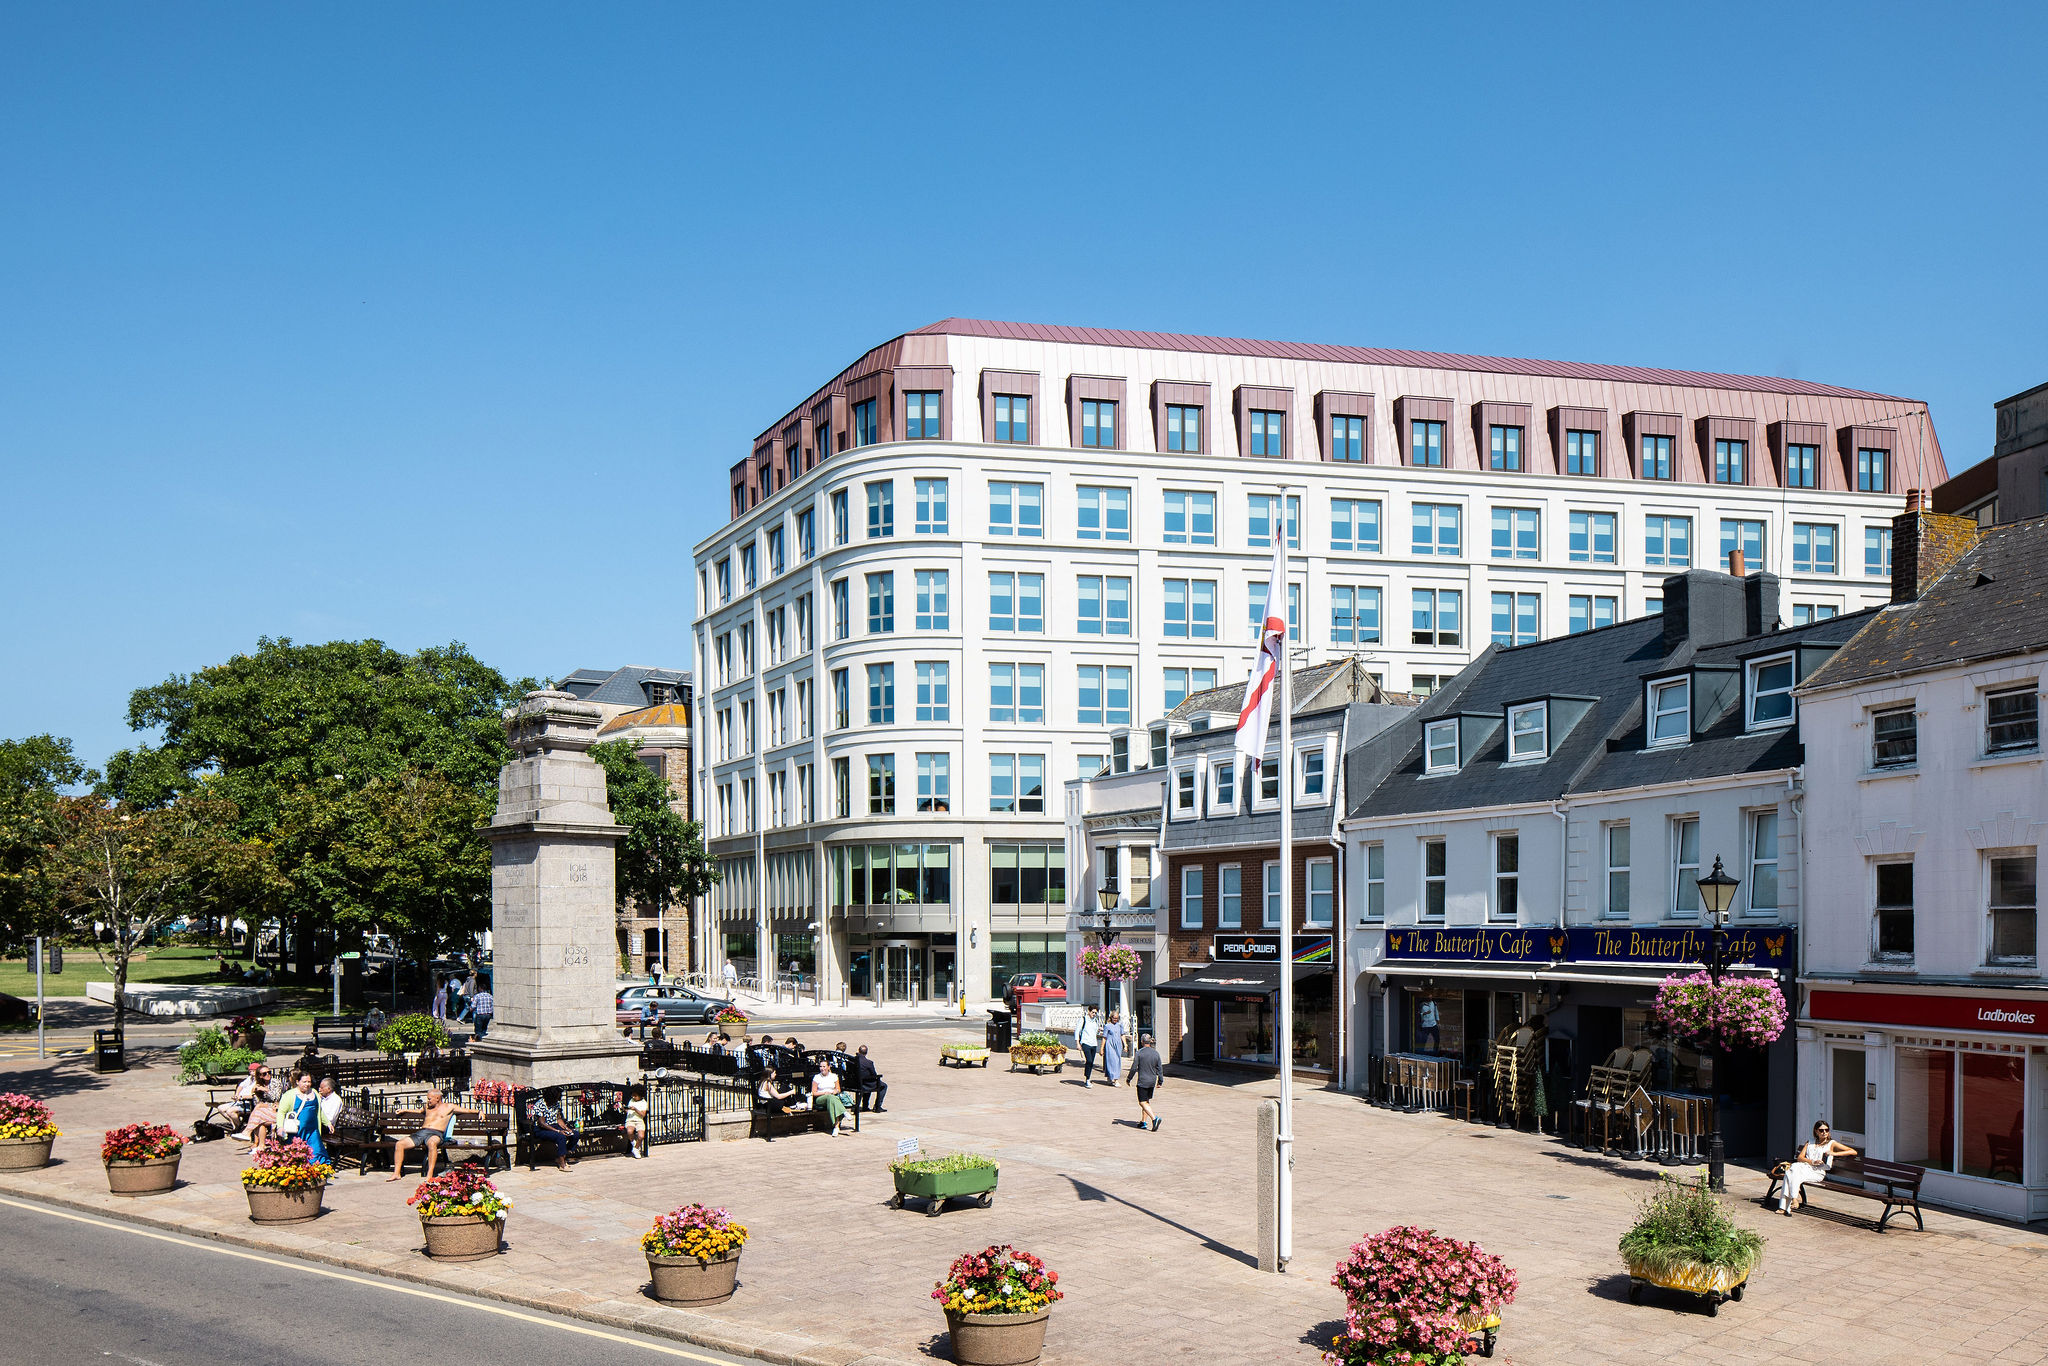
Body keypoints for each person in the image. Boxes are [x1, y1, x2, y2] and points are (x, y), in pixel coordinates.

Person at [386, 1090, 476, 1181]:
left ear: (437, 1098)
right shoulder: (427, 1107)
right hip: (422, 1132)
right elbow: (419, 1111)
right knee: (399, 1144)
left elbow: (468, 1110)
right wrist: (405, 1110)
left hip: (436, 1133)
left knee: (432, 1143)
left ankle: (429, 1174)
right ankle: (396, 1173)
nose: (428, 1101)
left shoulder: (449, 1107)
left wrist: (479, 1112)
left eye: (429, 1098)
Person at [1778, 1121, 1856, 1215]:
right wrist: (1812, 1162)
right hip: (1805, 1168)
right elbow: (1800, 1158)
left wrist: (1834, 1153)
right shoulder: (1810, 1142)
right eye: (1821, 1130)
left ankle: (1784, 1206)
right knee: (1792, 1170)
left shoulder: (1831, 1143)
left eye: (1826, 1130)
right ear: (1816, 1131)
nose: (1824, 1132)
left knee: (1790, 1173)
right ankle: (1793, 1200)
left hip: (1818, 1172)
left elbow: (1852, 1151)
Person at [279, 1072, 328, 1163]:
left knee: (317, 1151)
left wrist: (327, 1123)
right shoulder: (289, 1095)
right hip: (297, 1131)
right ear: (297, 1082)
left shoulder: (315, 1093)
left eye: (309, 1082)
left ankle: (319, 1171)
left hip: (313, 1130)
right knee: (297, 1154)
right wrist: (280, 1127)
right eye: (304, 1082)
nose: (307, 1084)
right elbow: (281, 1112)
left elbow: (319, 1111)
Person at [526, 1092, 579, 1171]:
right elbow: (542, 1123)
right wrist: (558, 1131)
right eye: (555, 1098)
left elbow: (558, 1119)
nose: (557, 1100)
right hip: (542, 1129)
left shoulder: (555, 1103)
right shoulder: (541, 1104)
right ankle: (562, 1164)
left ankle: (561, 1157)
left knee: (575, 1134)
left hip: (554, 1126)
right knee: (561, 1136)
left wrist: (566, 1128)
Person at [242, 1064, 282, 1153]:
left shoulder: (276, 1082)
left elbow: (275, 1098)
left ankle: (248, 1133)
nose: (268, 1075)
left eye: (269, 1072)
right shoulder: (258, 1084)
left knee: (259, 1111)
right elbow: (257, 1102)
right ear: (260, 1076)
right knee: (260, 1117)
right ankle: (261, 1145)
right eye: (264, 1074)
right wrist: (255, 1093)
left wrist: (265, 1090)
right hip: (263, 1112)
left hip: (276, 1111)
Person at [1132, 1032, 1165, 1131]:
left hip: (1143, 1081)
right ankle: (1143, 1122)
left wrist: (1129, 1078)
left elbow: (1134, 1067)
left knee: (1142, 1102)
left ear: (1142, 1041)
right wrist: (1160, 1081)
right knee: (1146, 1101)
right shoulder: (1156, 1053)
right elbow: (1160, 1068)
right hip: (1152, 1081)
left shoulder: (1139, 1053)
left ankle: (1154, 1119)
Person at [810, 1058, 852, 1135]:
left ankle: (836, 1127)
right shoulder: (817, 1077)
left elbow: (838, 1089)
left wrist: (834, 1091)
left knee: (833, 1100)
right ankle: (844, 1112)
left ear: (829, 1067)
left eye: (824, 1066)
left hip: (832, 1097)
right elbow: (814, 1092)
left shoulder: (834, 1076)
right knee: (831, 1098)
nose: (822, 1068)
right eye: (820, 1066)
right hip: (820, 1098)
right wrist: (824, 1093)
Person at [852, 1044, 888, 1112]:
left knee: (868, 1081)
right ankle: (877, 1106)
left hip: (855, 1082)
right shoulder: (868, 1063)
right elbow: (874, 1074)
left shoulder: (852, 1060)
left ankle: (865, 1106)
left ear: (859, 1051)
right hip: (864, 1083)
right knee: (883, 1086)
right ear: (866, 1053)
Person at [1078, 1006, 1103, 1088]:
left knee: (1091, 1062)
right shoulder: (1083, 1019)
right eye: (1092, 1012)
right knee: (1088, 1060)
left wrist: (1099, 1031)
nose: (1094, 1014)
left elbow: (1095, 1032)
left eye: (1095, 1013)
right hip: (1085, 1043)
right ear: (1088, 1011)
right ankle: (1087, 1078)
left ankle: (1087, 1077)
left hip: (1093, 1043)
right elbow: (1077, 1031)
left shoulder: (1095, 1021)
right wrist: (1077, 1043)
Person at [1101, 1010, 1127, 1089]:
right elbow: (1104, 1038)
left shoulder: (1120, 1025)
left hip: (1118, 1045)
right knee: (1112, 1061)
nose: (1115, 1019)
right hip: (1110, 1045)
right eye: (1114, 1018)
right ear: (1111, 1017)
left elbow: (1122, 1035)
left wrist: (1125, 1045)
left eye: (1117, 1018)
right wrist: (1102, 1048)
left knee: (1117, 1061)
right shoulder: (1107, 1026)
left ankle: (1110, 1077)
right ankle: (1115, 1079)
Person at [624, 1083, 650, 1158]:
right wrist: (625, 1109)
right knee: (629, 1131)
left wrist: (635, 1109)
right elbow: (628, 1111)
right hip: (630, 1119)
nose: (634, 1097)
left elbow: (643, 1114)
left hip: (639, 1120)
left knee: (641, 1136)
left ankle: (635, 1149)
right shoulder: (631, 1100)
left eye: (635, 1096)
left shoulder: (643, 1103)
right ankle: (635, 1145)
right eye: (633, 1095)